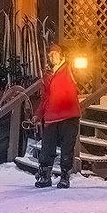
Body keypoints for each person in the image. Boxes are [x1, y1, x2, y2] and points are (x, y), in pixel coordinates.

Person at [33, 43, 81, 189]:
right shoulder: (47, 75)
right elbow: (45, 98)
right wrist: (38, 114)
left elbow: (81, 77)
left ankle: (65, 177)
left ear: (61, 55)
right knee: (47, 148)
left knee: (67, 148)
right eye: (50, 55)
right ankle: (45, 176)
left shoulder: (70, 69)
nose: (51, 57)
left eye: (54, 54)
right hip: (51, 116)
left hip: (69, 115)